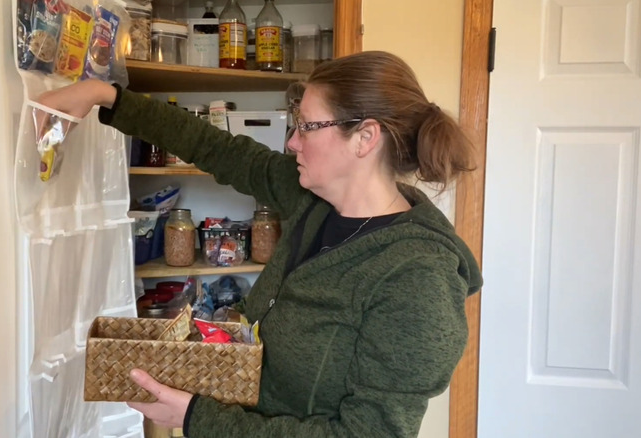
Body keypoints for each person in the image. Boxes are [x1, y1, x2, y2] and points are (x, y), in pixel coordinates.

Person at [36, 50, 483, 438]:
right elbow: (221, 150)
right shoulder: (315, 200)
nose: (292, 141)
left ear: (365, 137)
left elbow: (368, 433)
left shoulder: (417, 278)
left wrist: (196, 418)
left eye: (307, 126)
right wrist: (104, 96)